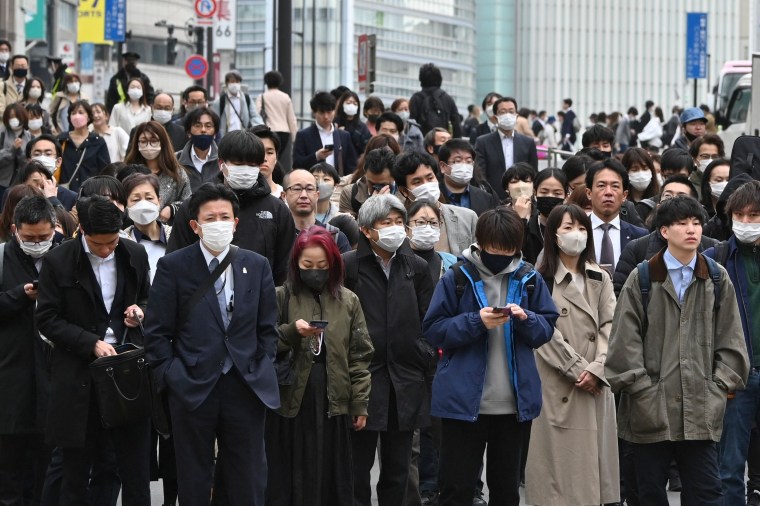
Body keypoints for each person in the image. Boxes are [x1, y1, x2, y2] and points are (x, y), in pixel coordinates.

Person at [606, 195, 749, 506]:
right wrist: (643, 391)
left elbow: (732, 340)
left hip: (701, 411)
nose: (691, 230)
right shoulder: (642, 278)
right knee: (648, 495)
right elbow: (623, 346)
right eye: (682, 223)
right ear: (664, 231)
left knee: (707, 494)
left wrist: (718, 387)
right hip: (649, 414)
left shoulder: (715, 277)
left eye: (696, 223)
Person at [144, 183, 280, 506]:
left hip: (245, 385)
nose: (218, 222)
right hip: (191, 386)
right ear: (195, 225)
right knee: (193, 477)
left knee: (248, 477)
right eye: (210, 217)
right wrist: (172, 375)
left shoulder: (256, 264)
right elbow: (157, 332)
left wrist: (261, 365)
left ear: (235, 222)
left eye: (225, 216)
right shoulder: (173, 266)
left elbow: (268, 328)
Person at [422, 206, 559, 506]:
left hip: (514, 405)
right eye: (494, 249)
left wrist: (527, 319)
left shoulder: (529, 277)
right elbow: (433, 329)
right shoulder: (457, 276)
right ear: (480, 243)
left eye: (508, 250)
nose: (500, 256)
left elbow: (546, 328)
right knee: (456, 489)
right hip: (463, 402)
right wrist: (475, 321)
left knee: (507, 491)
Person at [35, 194, 152, 505]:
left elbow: (147, 299)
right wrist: (89, 343)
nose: (106, 250)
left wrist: (139, 312)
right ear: (83, 232)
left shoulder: (133, 254)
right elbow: (46, 318)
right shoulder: (59, 260)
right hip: (79, 376)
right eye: (99, 244)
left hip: (127, 373)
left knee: (133, 470)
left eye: (112, 242)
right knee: (75, 469)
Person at [266, 226, 373, 505]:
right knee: (289, 473)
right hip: (291, 399)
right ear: (296, 264)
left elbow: (359, 355)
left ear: (334, 264)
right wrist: (292, 332)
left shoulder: (348, 300)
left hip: (333, 397)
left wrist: (359, 403)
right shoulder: (280, 296)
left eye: (322, 265)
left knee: (331, 473)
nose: (315, 271)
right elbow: (262, 343)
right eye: (307, 265)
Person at [525, 204, 619, 505]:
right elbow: (543, 332)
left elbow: (612, 325)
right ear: (553, 235)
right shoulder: (538, 279)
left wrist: (598, 368)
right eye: (567, 228)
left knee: (592, 478)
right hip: (558, 383)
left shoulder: (600, 277)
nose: (576, 234)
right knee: (558, 477)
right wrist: (579, 369)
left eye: (581, 228)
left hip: (595, 382)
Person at [345, 193, 433, 506]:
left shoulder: (417, 266)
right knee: (356, 468)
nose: (396, 228)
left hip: (405, 381)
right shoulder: (349, 265)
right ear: (367, 230)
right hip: (362, 381)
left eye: (399, 222)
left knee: (398, 469)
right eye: (387, 223)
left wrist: (421, 354)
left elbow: (428, 319)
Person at [698, 181, 760, 505]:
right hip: (736, 377)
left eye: (755, 215)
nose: (747, 222)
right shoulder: (714, 259)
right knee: (729, 469)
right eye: (740, 215)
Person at [168, 129, 295, 286]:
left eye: (252, 164)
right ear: (221, 164)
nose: (246, 169)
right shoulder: (195, 205)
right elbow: (175, 260)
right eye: (238, 164)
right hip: (202, 299)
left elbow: (285, 268)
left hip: (257, 300)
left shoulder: (277, 210)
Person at [0, 195, 60, 505]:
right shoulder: (2, 258)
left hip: (54, 381)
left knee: (48, 471)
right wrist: (19, 296)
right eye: (29, 238)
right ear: (15, 230)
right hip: (11, 382)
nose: (37, 243)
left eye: (44, 237)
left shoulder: (66, 257)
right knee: (9, 472)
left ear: (55, 228)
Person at [613, 175, 718, 295]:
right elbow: (621, 296)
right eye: (667, 196)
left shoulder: (713, 249)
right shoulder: (637, 248)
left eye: (681, 197)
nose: (674, 201)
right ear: (658, 206)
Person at [393, 150, 478, 256]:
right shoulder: (396, 225)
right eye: (417, 182)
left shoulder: (467, 218)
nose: (426, 185)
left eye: (430, 178)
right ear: (404, 191)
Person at [584, 158, 648, 276]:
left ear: (624, 195)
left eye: (615, 186)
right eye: (601, 185)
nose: (608, 192)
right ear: (589, 193)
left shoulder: (640, 237)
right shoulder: (577, 232)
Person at [124, 121, 191, 223]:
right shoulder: (129, 172)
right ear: (137, 144)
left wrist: (172, 208)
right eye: (143, 141)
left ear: (162, 142)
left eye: (153, 141)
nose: (148, 146)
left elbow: (189, 202)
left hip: (168, 231)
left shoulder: (177, 173)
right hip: (133, 229)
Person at [475, 97, 539, 200]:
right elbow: (481, 173)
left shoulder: (528, 142)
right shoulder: (483, 142)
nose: (507, 115)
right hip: (493, 198)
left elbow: (533, 172)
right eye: (503, 112)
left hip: (522, 197)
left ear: (516, 115)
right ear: (495, 117)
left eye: (511, 111)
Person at [281, 169, 351, 253]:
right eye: (297, 189)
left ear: (317, 195)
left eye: (309, 189)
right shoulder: (276, 237)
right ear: (284, 196)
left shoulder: (334, 236)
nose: (304, 195)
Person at [122, 173, 172, 281]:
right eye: (136, 200)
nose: (143, 204)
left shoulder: (175, 237)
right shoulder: (122, 243)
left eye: (149, 198)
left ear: (159, 201)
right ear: (126, 205)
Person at [293, 91, 358, 176]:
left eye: (329, 112)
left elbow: (351, 165)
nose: (326, 116)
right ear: (314, 113)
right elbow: (296, 164)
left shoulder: (344, 136)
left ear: (334, 111)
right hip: (312, 184)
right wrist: (316, 156)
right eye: (321, 112)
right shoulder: (303, 135)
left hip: (338, 184)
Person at [54, 100, 111, 192]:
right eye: (73, 113)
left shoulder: (98, 141)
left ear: (88, 117)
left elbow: (105, 170)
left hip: (90, 193)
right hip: (65, 191)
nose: (77, 116)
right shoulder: (61, 139)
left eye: (81, 112)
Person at [437, 138, 499, 216]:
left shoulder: (486, 198)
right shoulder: (433, 196)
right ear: (443, 166)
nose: (464, 166)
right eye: (458, 161)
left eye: (469, 161)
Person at [522, 168, 569, 265]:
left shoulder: (572, 228)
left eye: (557, 193)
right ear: (535, 192)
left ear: (566, 196)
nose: (550, 196)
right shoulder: (528, 227)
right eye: (544, 192)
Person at [255, 70, 298, 173]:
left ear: (266, 82)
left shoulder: (262, 97)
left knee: (270, 157)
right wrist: (294, 138)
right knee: (277, 157)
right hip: (284, 132)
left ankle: (275, 177)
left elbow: (256, 114)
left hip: (269, 132)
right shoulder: (285, 97)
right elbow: (292, 119)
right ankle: (278, 177)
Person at [339, 144, 398, 216]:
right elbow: (347, 226)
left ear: (394, 176)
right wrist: (372, 207)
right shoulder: (350, 193)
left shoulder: (406, 192)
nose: (376, 188)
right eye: (371, 183)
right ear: (365, 170)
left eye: (382, 185)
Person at [408, 63, 462, 138]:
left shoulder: (416, 98)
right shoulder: (447, 98)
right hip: (442, 141)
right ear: (439, 79)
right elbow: (456, 124)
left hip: (422, 141)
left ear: (421, 79)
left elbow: (411, 124)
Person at [25, 134, 78, 210]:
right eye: (37, 154)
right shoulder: (13, 193)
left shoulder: (71, 197)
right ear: (29, 161)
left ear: (58, 162)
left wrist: (52, 200)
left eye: (48, 154)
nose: (42, 158)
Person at [176, 106, 221, 192]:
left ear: (215, 133)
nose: (203, 130)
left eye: (208, 126)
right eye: (198, 125)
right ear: (189, 132)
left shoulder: (223, 160)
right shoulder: (176, 160)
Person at [213, 70, 262, 136]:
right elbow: (214, 119)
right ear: (227, 83)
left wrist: (261, 129)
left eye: (237, 82)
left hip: (243, 135)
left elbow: (255, 116)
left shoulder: (247, 98)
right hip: (226, 136)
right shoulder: (220, 101)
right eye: (232, 81)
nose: (235, 84)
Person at [621, 147, 661, 224]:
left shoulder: (659, 199)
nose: (641, 174)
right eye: (634, 170)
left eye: (645, 169)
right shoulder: (621, 204)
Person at [0, 103, 30, 195]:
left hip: (20, 183)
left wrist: (20, 151)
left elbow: (27, 161)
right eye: (10, 117)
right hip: (2, 181)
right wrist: (12, 149)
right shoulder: (2, 133)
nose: (13, 119)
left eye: (16, 116)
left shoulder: (28, 136)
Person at [250, 124, 285, 198]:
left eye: (269, 153)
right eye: (259, 152)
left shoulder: (285, 196)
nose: (264, 158)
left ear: (276, 157)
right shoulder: (238, 197)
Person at [688, 133, 724, 200]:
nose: (710, 160)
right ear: (694, 159)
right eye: (705, 157)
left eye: (715, 157)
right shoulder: (689, 188)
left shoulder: (726, 184)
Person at [335, 90, 372, 156]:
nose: (351, 106)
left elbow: (366, 148)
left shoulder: (362, 127)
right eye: (348, 103)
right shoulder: (334, 123)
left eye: (355, 104)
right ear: (342, 104)